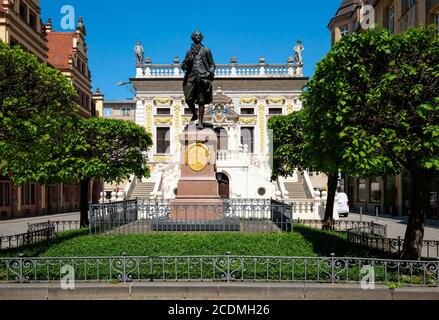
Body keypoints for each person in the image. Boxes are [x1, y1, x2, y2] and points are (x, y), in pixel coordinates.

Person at [182, 31, 216, 130]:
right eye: (195, 35)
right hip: (191, 77)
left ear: (202, 37)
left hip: (202, 77)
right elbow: (184, 65)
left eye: (199, 35)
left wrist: (209, 73)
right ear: (192, 37)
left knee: (201, 100)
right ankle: (194, 114)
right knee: (188, 98)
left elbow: (212, 65)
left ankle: (200, 122)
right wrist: (184, 65)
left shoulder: (206, 50)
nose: (197, 37)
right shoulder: (189, 52)